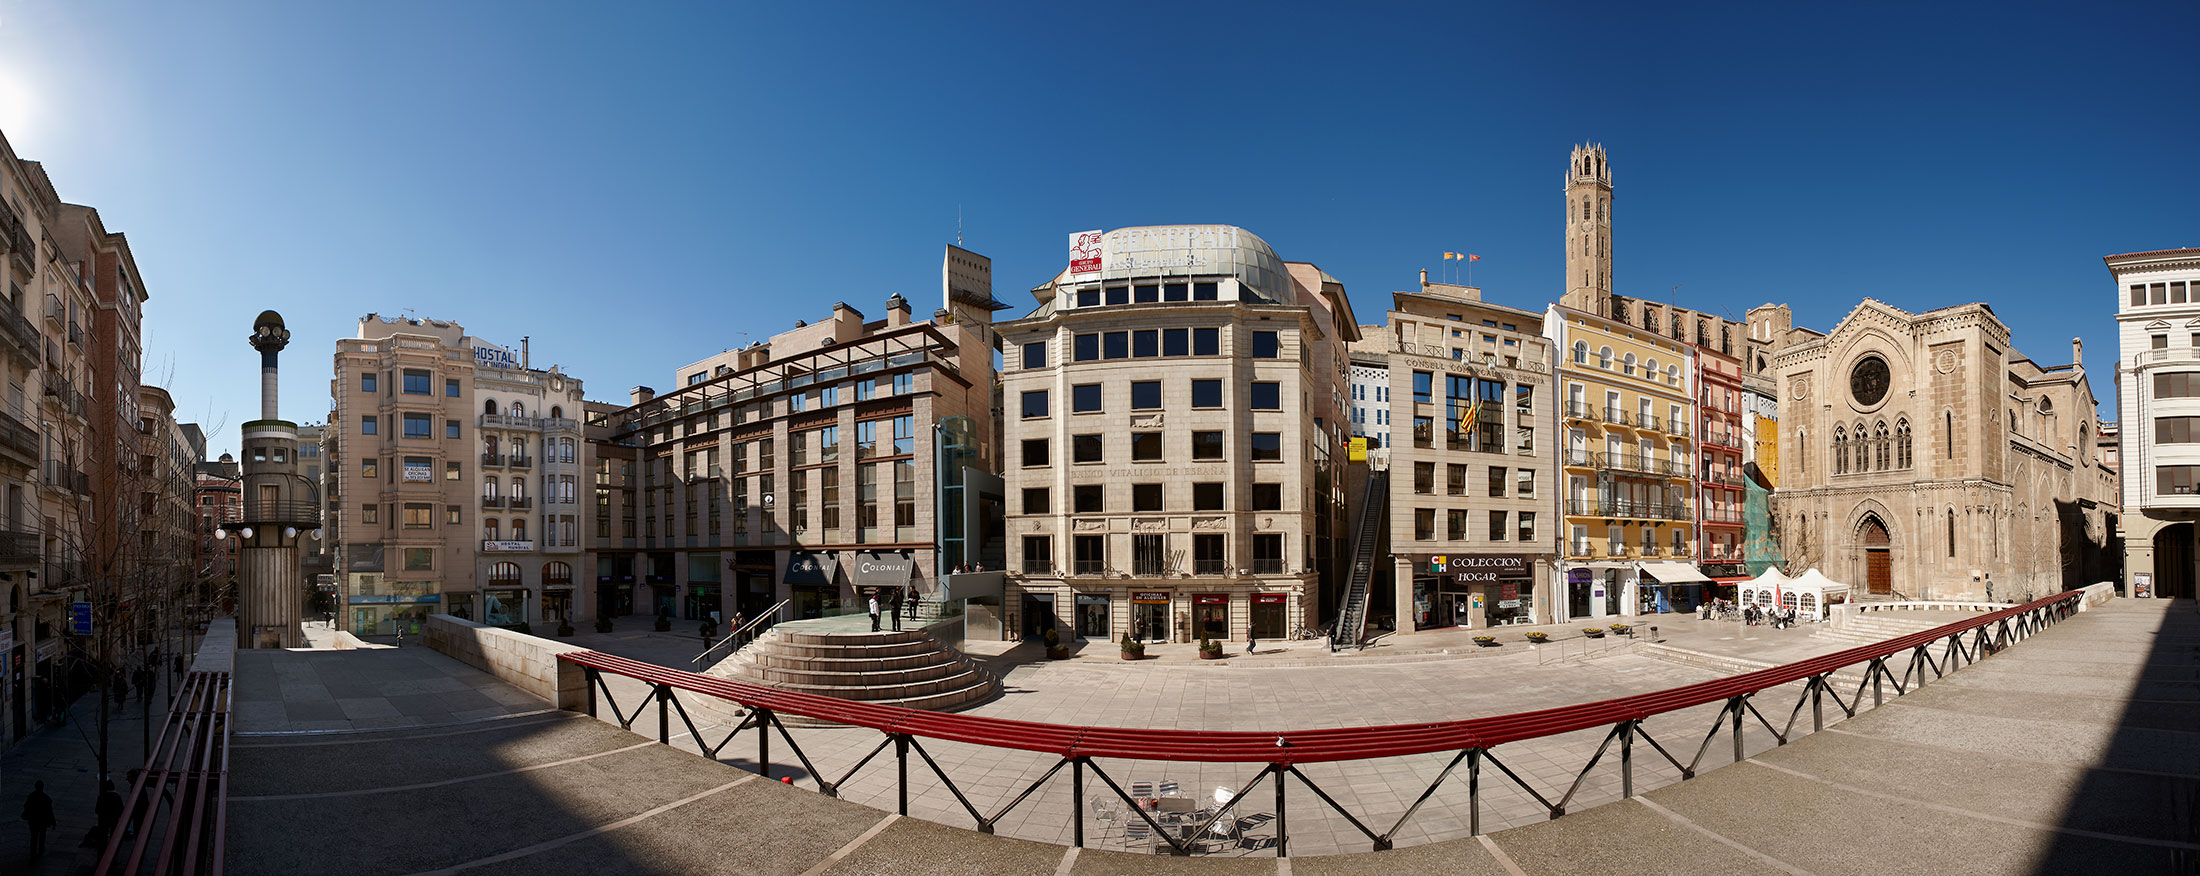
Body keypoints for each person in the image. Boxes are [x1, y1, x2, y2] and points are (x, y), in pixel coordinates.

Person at [21, 780, 55, 860]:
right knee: (42, 835)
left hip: (33, 820)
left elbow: (26, 806)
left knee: (34, 837)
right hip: (42, 821)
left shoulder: (31, 796)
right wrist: (53, 821)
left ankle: (33, 853)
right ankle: (41, 850)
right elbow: (50, 811)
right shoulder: (46, 798)